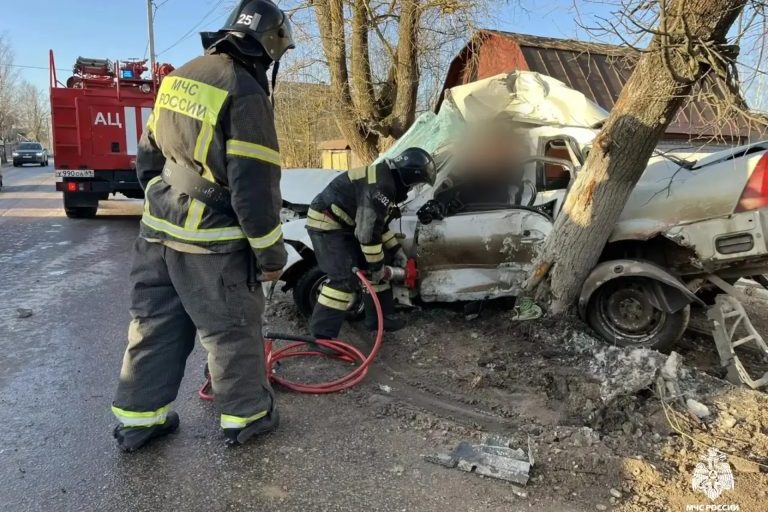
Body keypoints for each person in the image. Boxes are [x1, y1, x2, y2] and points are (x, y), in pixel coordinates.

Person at [111, 0, 294, 452]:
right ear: (269, 46)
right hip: (212, 247)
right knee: (231, 331)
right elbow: (254, 190)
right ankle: (247, 417)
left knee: (153, 326)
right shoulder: (245, 91)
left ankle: (138, 421)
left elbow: (148, 158)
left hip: (156, 234)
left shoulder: (178, 78)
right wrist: (272, 256)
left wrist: (161, 199)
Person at [306, 148, 437, 341]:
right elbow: (367, 234)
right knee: (343, 280)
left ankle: (381, 319)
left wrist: (395, 251)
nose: (411, 189)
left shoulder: (385, 179)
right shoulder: (381, 187)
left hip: (346, 224)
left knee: (380, 262)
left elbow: (378, 225)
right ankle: (321, 337)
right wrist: (377, 266)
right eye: (416, 184)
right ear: (409, 176)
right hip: (327, 225)